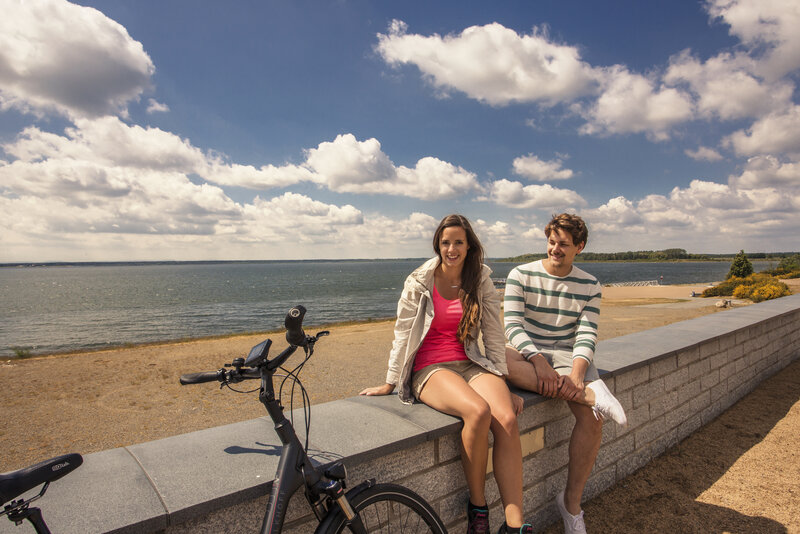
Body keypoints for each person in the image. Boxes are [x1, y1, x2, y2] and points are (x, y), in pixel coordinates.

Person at [360, 214, 531, 534]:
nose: (451, 248)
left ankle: (515, 525)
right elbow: (402, 332)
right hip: (430, 368)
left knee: (506, 418)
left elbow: (493, 334)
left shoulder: (479, 279)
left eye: (458, 242)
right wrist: (391, 380)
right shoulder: (419, 280)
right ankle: (478, 511)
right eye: (445, 242)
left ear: (469, 246)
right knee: (478, 412)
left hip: (469, 361)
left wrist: (503, 382)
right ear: (438, 245)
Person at [504, 213, 627, 534]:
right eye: (552, 242)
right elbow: (513, 326)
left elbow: (587, 335)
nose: (555, 249)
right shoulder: (520, 274)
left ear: (579, 247)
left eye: (564, 245)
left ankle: (571, 506)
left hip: (569, 356)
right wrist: (539, 361)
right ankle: (593, 394)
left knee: (593, 420)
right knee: (499, 360)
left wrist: (576, 375)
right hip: (526, 353)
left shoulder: (590, 285)